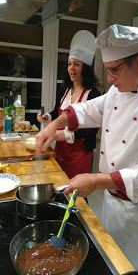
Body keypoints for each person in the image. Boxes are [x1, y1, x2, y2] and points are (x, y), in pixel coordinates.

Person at [35, 24, 138, 275]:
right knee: (112, 263)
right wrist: (54, 124)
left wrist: (95, 180)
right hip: (113, 203)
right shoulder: (118, 90)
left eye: (114, 70)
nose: (110, 79)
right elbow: (88, 110)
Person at [37, 30, 101, 179]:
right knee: (60, 187)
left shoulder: (93, 95)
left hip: (80, 153)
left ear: (85, 68)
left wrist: (66, 134)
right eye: (69, 64)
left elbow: (92, 130)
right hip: (61, 150)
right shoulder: (65, 90)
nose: (71, 68)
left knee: (76, 194)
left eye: (76, 64)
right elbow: (56, 112)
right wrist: (47, 116)